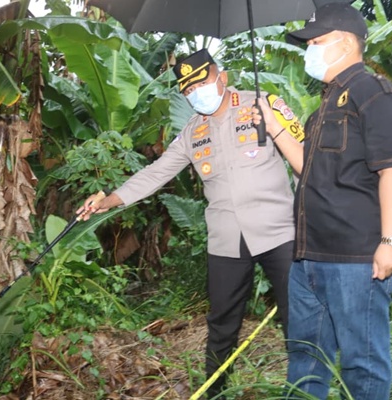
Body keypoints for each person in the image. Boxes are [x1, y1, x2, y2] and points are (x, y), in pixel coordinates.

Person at [76, 49, 303, 399]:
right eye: (188, 89)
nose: (196, 93)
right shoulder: (192, 133)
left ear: (222, 78)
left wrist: (314, 218)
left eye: (202, 82)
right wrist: (107, 199)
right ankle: (215, 391)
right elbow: (155, 173)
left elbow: (307, 157)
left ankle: (303, 390)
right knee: (222, 324)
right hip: (227, 240)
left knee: (297, 317)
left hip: (280, 232)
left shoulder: (264, 105)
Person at [251, 3, 392, 399]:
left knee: (363, 363)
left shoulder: (375, 94)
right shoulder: (325, 104)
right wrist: (274, 128)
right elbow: (309, 166)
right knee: (305, 358)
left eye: (316, 42)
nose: (310, 51)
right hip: (310, 257)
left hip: (356, 260)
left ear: (344, 43)